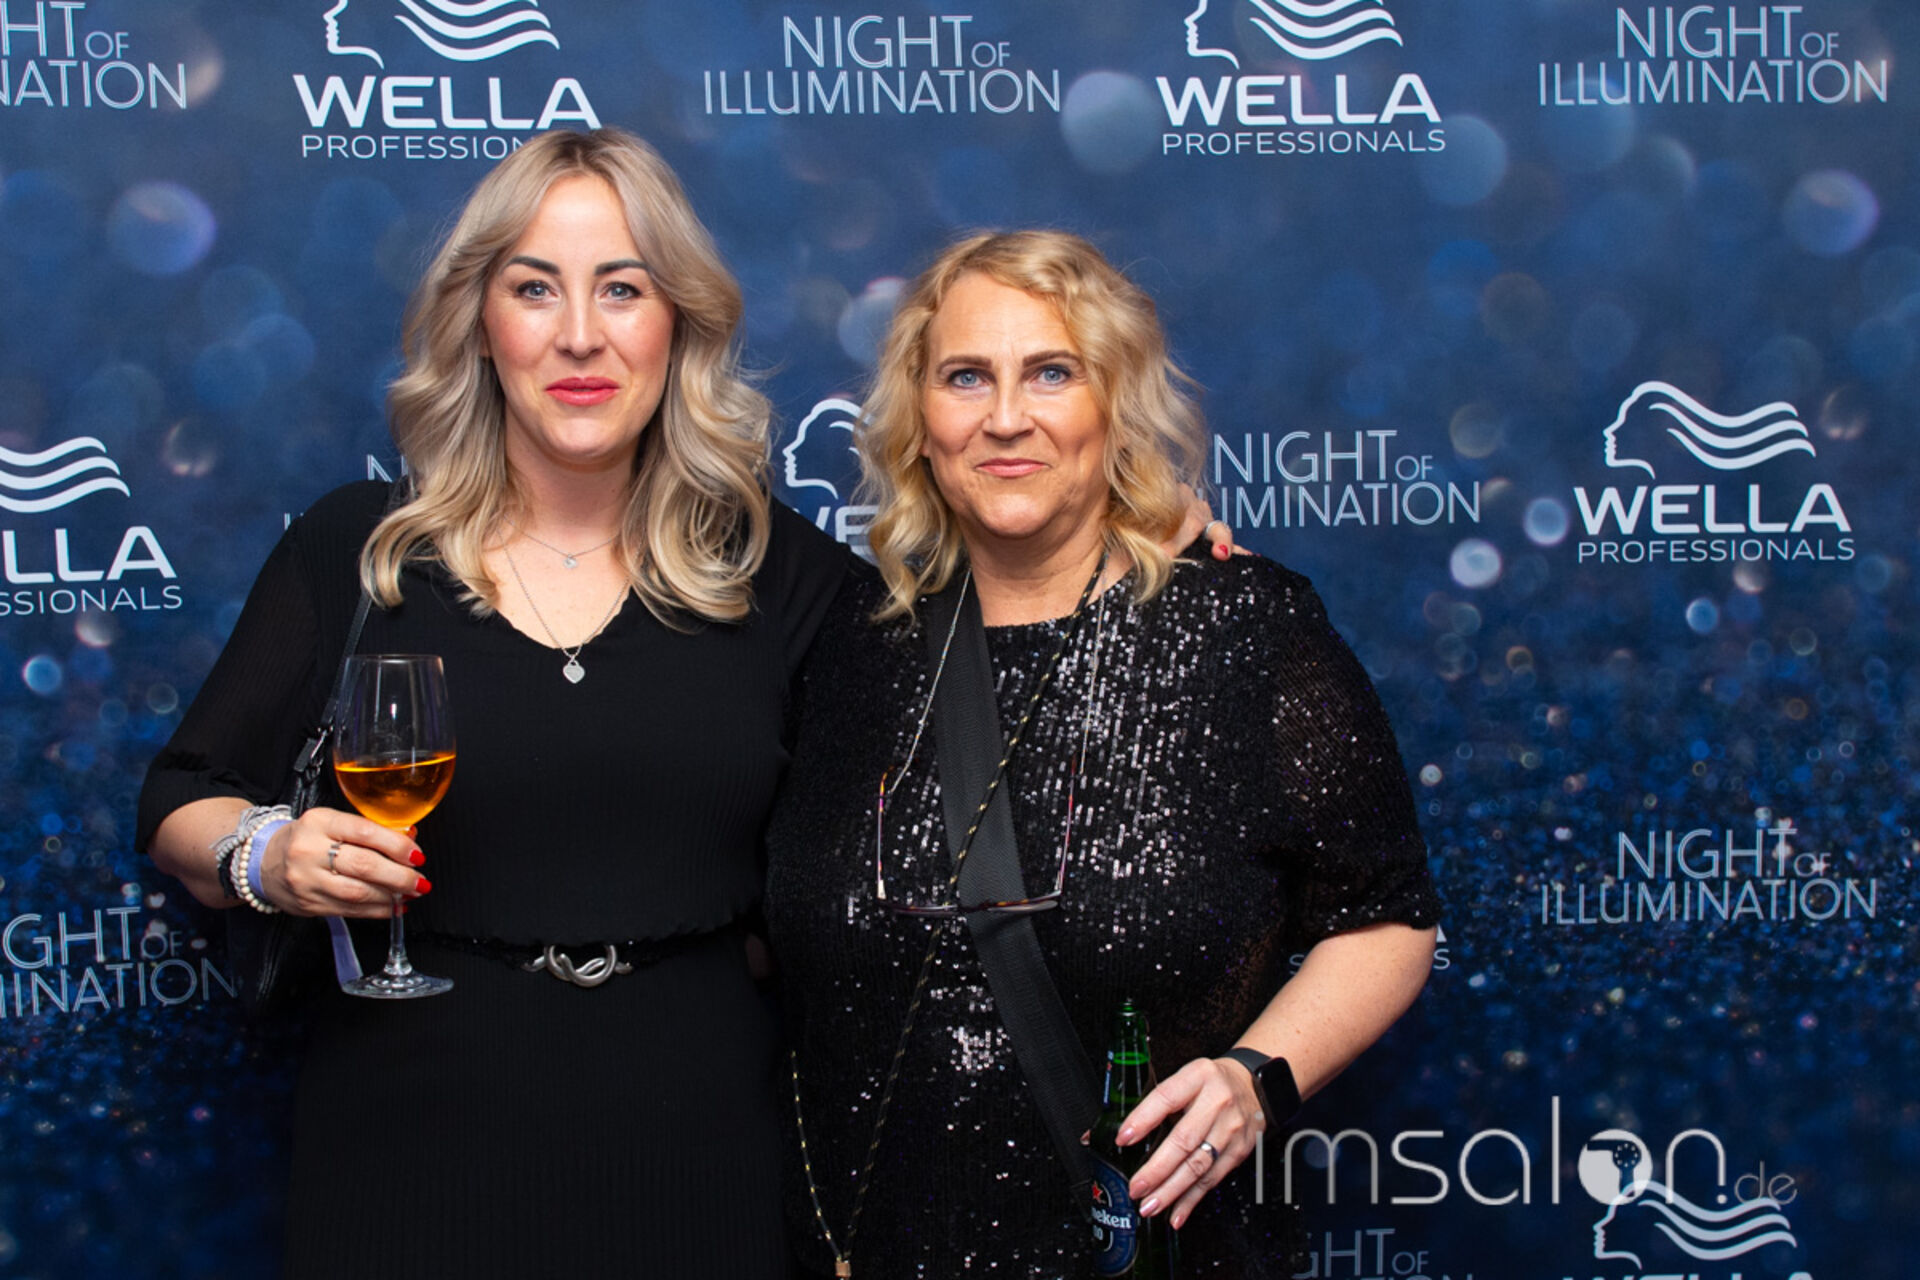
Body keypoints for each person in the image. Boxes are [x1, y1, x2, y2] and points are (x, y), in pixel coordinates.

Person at [136, 127, 854, 1277]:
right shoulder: (360, 552)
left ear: (679, 321)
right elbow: (180, 797)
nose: (580, 334)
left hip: (700, 1157)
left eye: (622, 288)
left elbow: (937, 755)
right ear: (480, 322)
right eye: (534, 288)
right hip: (411, 1155)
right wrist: (265, 853)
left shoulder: (778, 572)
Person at [763, 230, 1443, 1276]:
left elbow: (1386, 917)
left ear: (1115, 403)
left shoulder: (1243, 629)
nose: (1005, 416)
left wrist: (1257, 1077)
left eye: (1052, 372)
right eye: (965, 376)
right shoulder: (848, 647)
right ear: (919, 419)